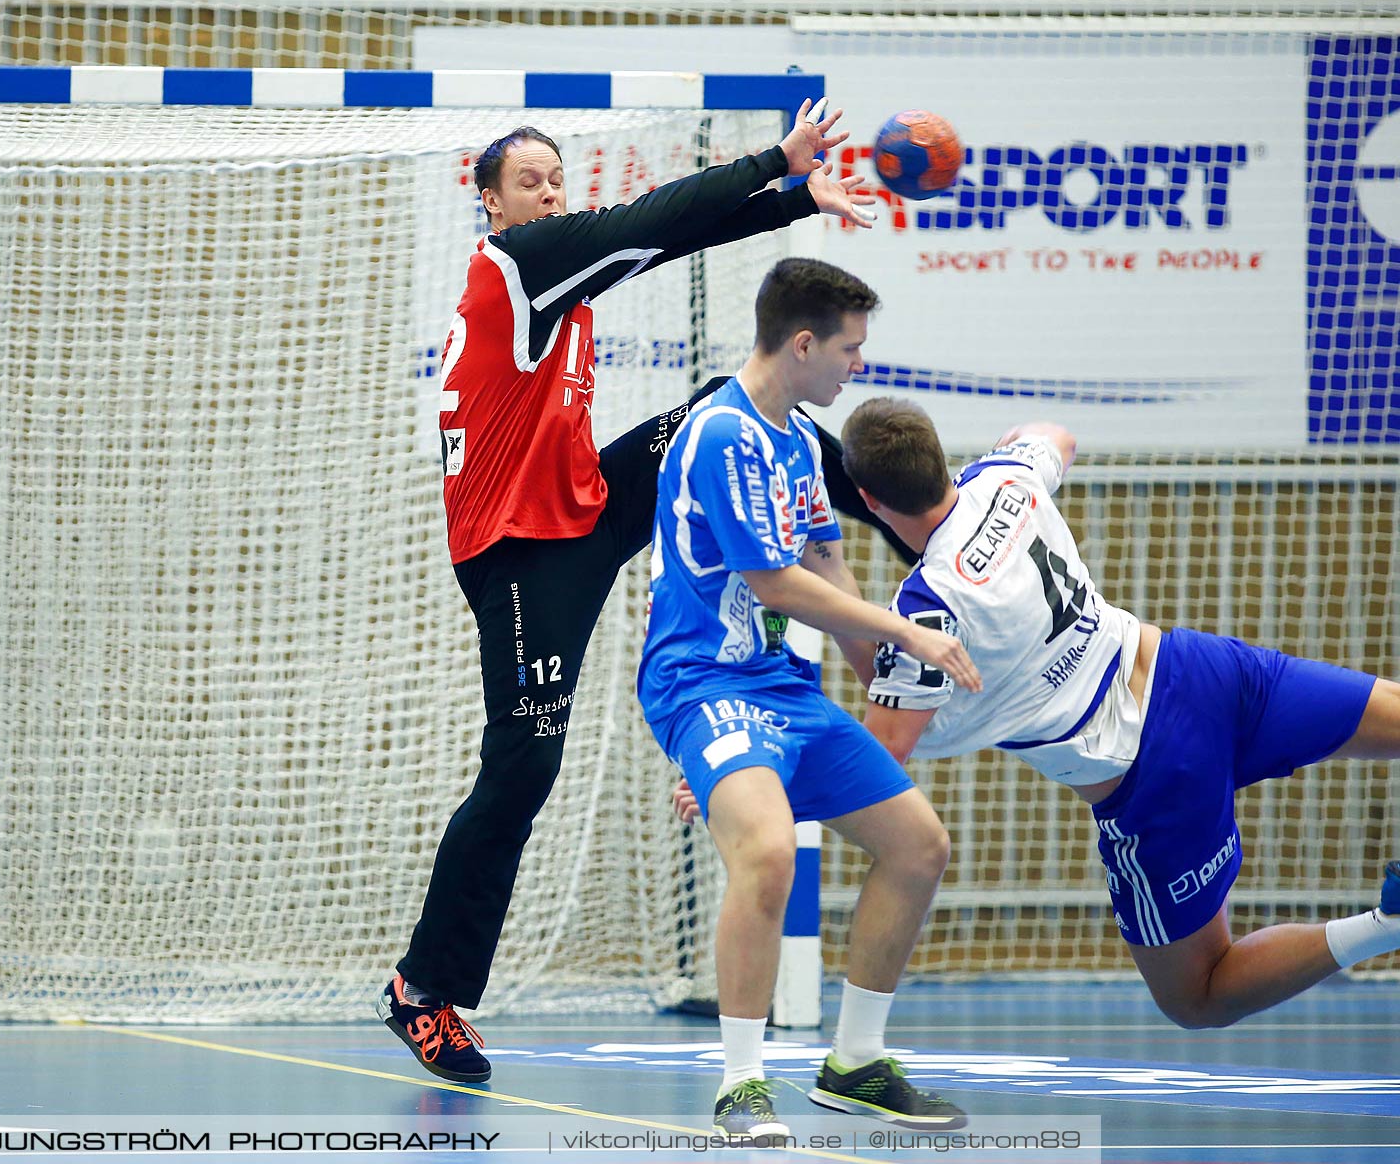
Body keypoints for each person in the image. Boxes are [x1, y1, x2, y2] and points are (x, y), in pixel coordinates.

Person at [379, 103, 886, 1087]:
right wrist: (775, 169)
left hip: (586, 505)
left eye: (558, 182)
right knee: (523, 768)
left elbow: (652, 238)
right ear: (488, 204)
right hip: (524, 554)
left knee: (720, 405)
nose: (552, 195)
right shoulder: (520, 268)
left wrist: (788, 202)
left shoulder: (553, 277)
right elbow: (648, 225)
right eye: (530, 183)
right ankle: (422, 990)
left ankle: (906, 510)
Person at [831, 395, 1400, 1030]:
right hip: (1202, 675)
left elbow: (880, 753)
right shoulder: (1002, 479)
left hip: (1153, 773)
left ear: (870, 502)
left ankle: (1386, 927)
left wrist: (822, 567)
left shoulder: (927, 609)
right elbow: (1055, 433)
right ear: (937, 456)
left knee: (1199, 995)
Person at [640, 258, 978, 1140]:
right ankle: (742, 1084)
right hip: (705, 682)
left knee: (918, 846)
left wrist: (878, 672)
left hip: (781, 689)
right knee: (768, 853)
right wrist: (908, 632)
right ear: (802, 344)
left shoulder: (793, 440)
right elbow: (779, 585)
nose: (855, 366)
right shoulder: (725, 435)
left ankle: (855, 1064)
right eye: (849, 350)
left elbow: (826, 563)